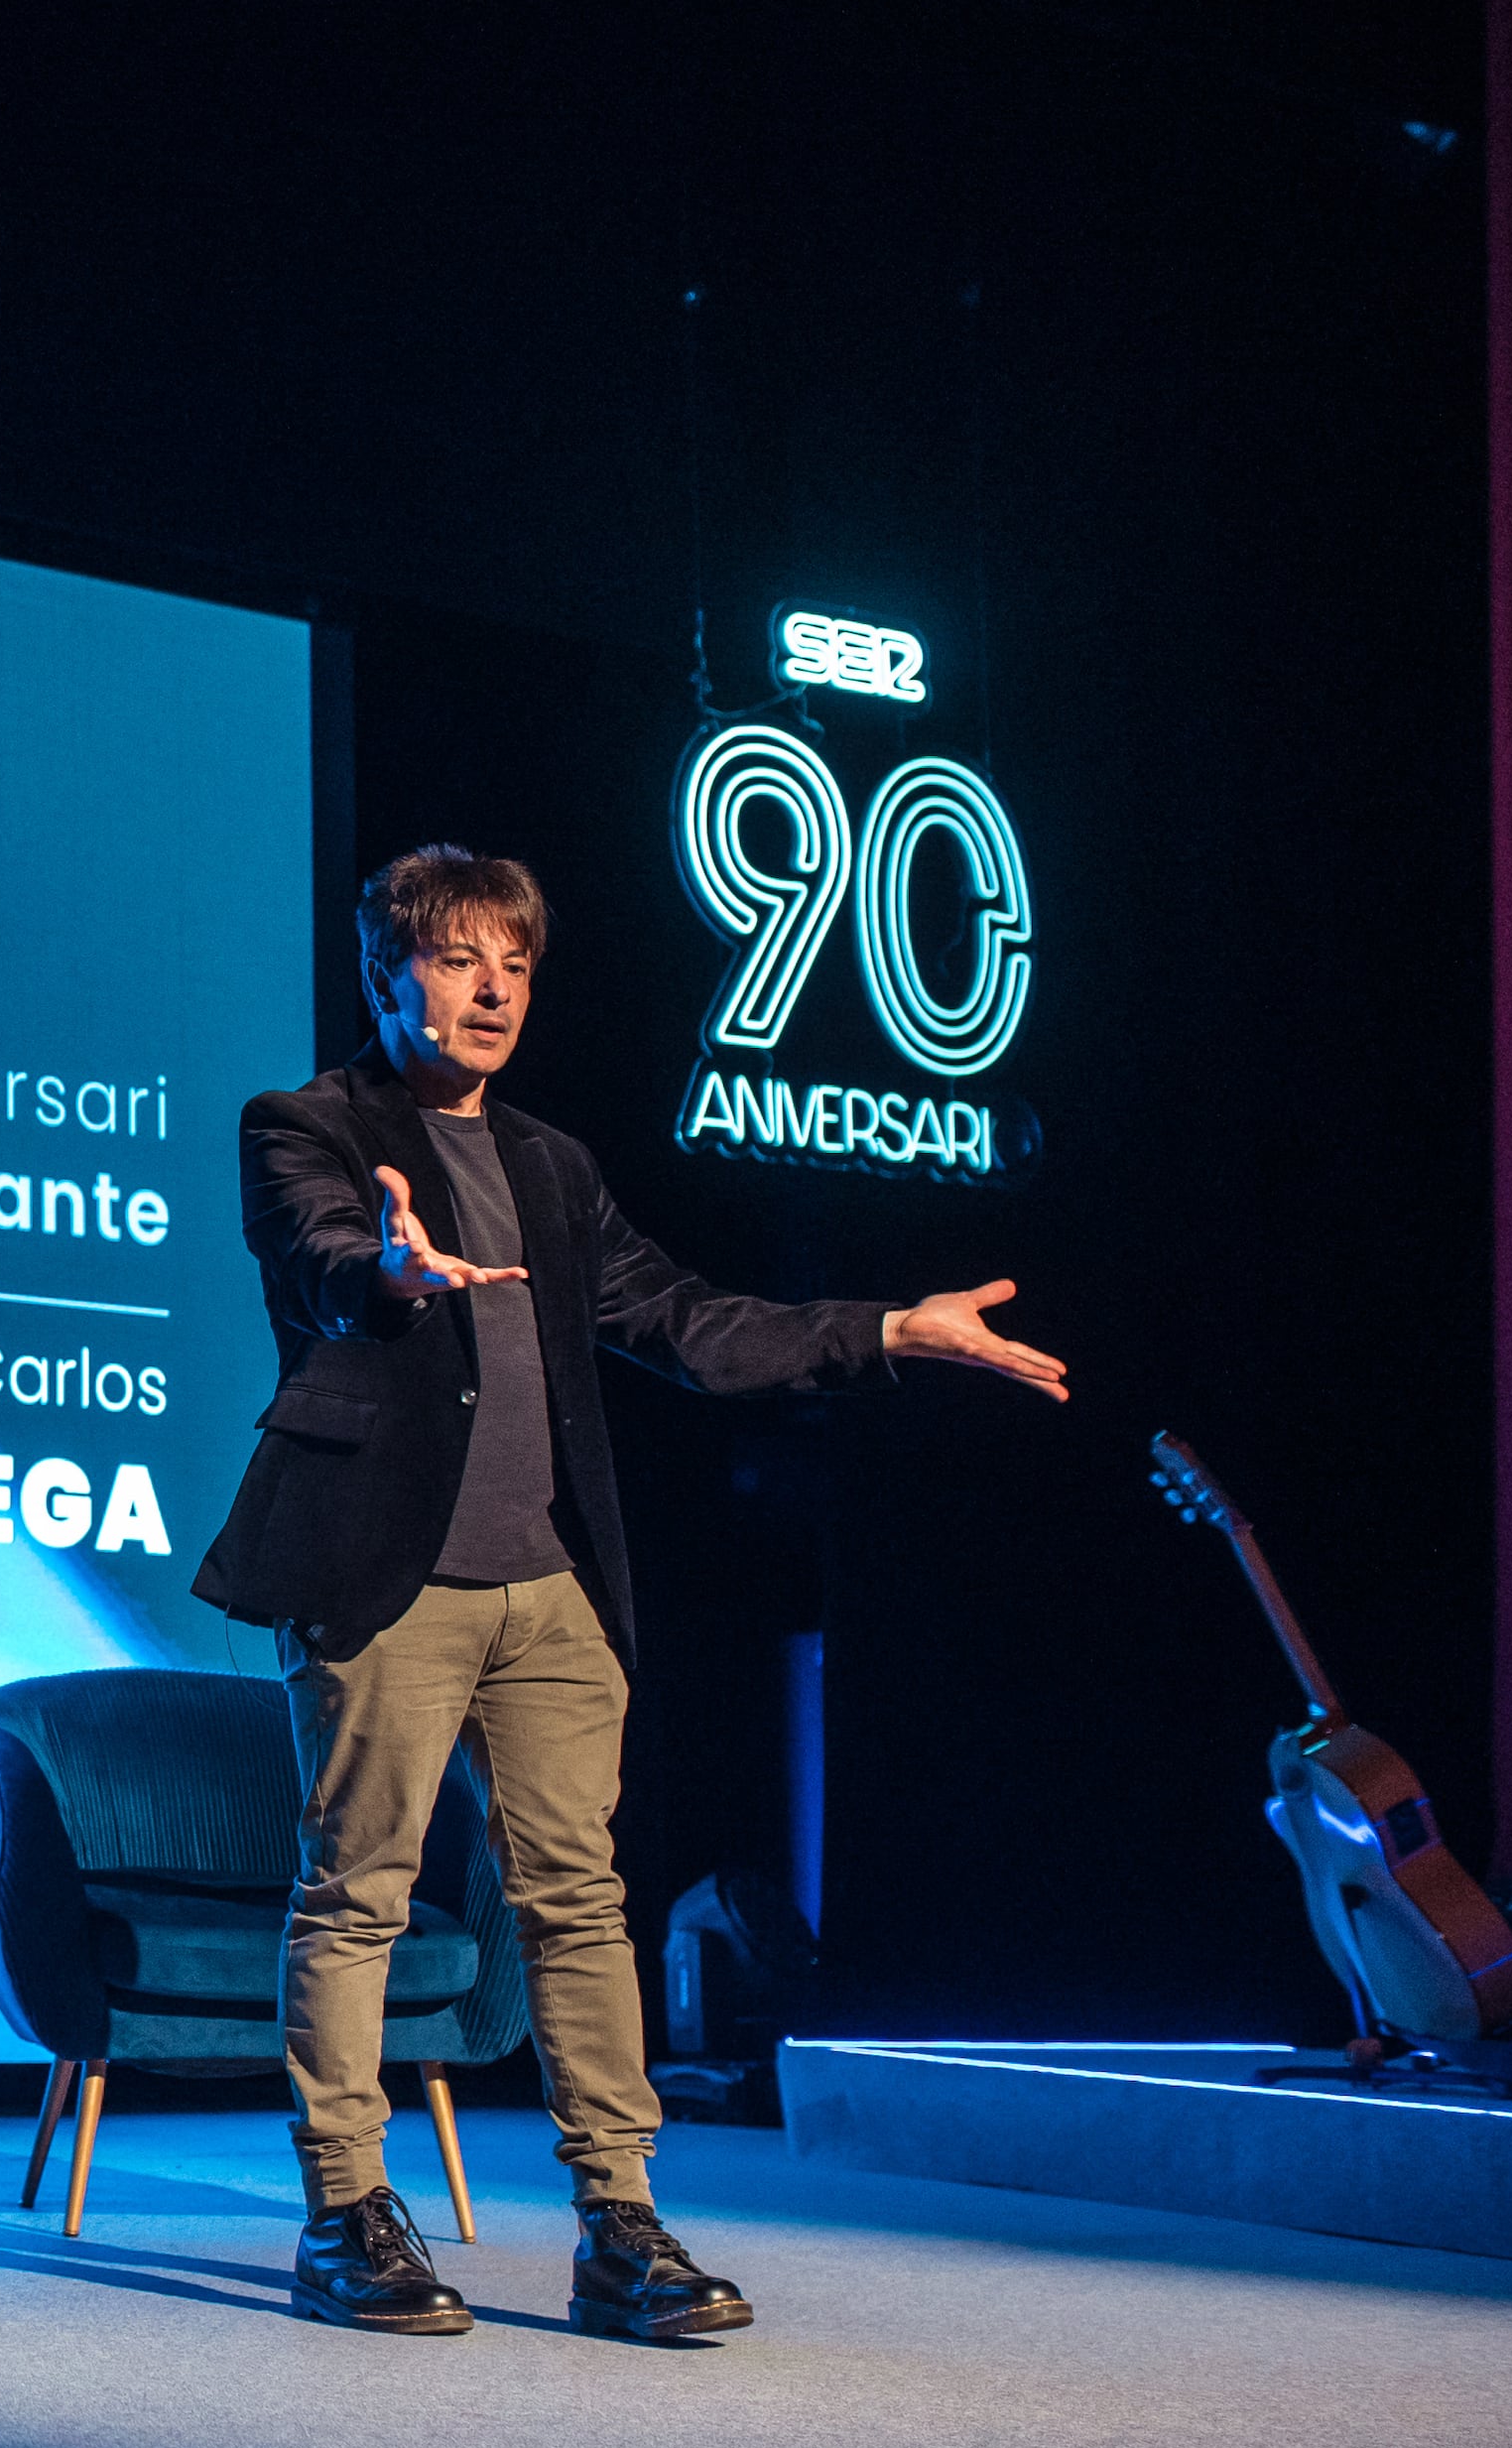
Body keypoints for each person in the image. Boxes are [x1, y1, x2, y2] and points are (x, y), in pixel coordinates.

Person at [191, 845, 1063, 2340]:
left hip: (552, 1587)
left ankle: (620, 2222)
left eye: (514, 967)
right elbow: (331, 1260)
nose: (491, 991)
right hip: (387, 1577)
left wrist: (888, 1331)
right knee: (359, 1897)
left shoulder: (552, 1164)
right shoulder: (307, 1128)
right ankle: (346, 2214)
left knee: (580, 1907)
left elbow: (686, 1322)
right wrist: (392, 1271)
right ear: (387, 973)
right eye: (460, 960)